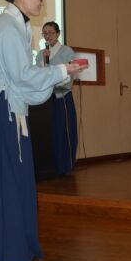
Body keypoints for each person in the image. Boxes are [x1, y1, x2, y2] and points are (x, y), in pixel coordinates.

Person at [0, 0, 84, 261]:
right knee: (7, 182)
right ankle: (6, 252)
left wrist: (57, 72)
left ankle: (13, 249)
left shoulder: (17, 26)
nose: (42, 1)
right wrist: (62, 71)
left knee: (14, 181)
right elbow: (21, 76)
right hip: (0, 112)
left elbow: (21, 78)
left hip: (6, 109)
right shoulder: (8, 28)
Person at [35, 21, 78, 176]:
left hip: (62, 97)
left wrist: (53, 77)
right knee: (48, 133)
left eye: (51, 33)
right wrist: (44, 61)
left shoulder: (66, 51)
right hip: (45, 99)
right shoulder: (41, 54)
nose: (47, 36)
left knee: (63, 131)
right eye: (45, 33)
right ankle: (50, 167)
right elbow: (37, 75)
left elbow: (70, 74)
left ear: (58, 34)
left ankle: (65, 166)